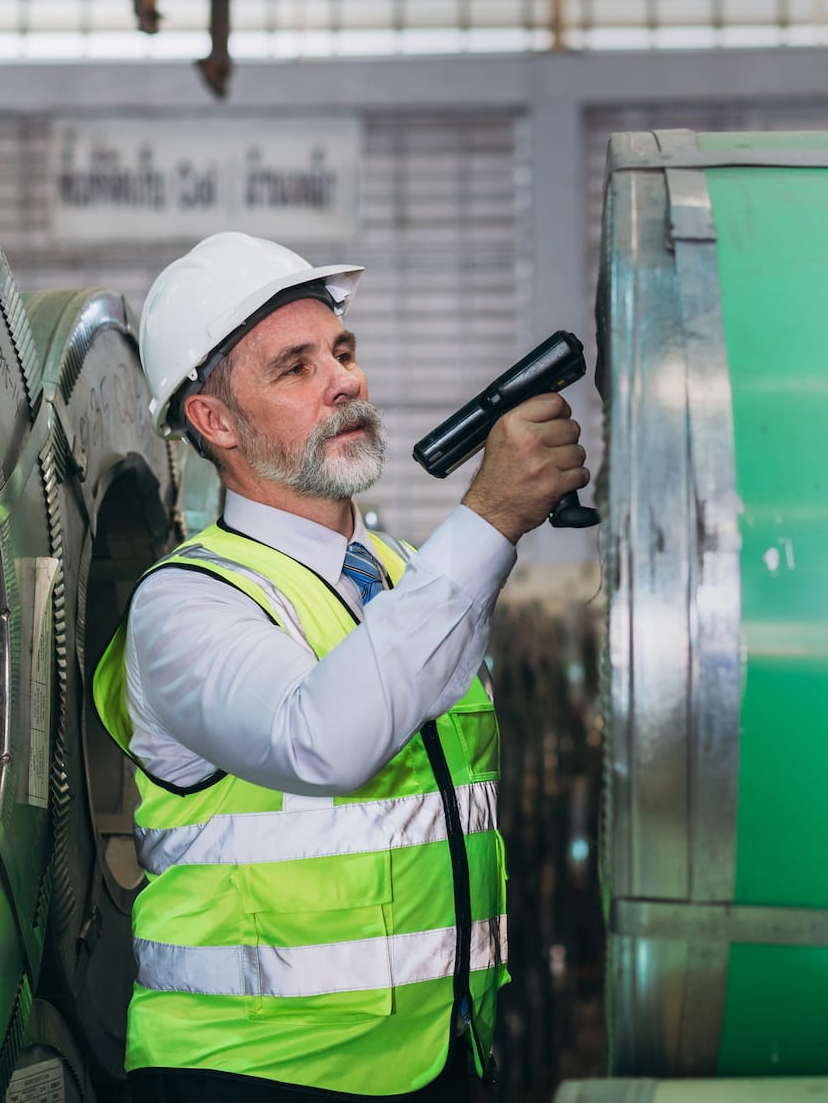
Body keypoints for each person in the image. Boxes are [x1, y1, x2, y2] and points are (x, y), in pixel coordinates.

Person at [91, 231, 588, 1102]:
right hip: (256, 1075)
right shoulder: (185, 605)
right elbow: (321, 740)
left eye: (344, 351)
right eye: (296, 367)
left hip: (444, 1061)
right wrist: (488, 520)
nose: (345, 379)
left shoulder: (405, 575)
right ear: (214, 421)